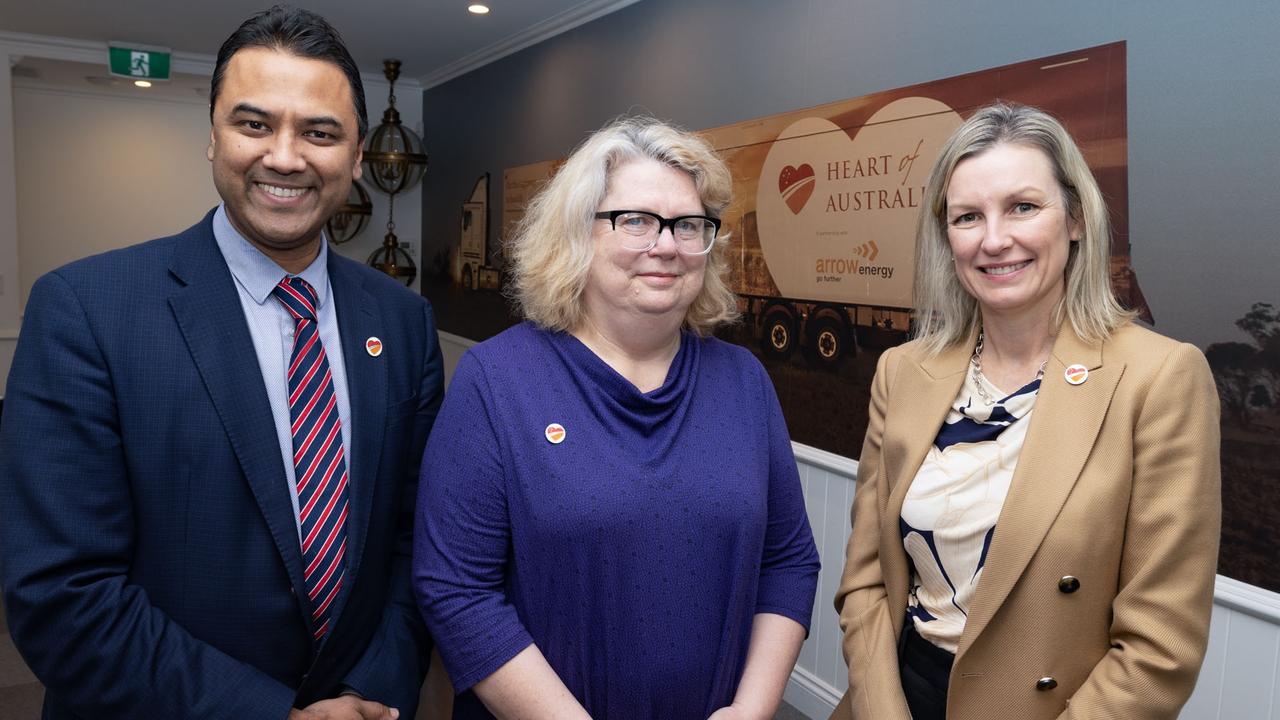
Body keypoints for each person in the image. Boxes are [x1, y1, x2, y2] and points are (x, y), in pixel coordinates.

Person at [0, 7, 442, 719]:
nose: (286, 156)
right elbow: (62, 594)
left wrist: (372, 691)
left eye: (320, 132)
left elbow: (412, 543)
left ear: (358, 157)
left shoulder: (403, 322)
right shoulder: (85, 311)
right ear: (212, 137)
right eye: (254, 123)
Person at [413, 117, 820, 719]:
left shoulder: (743, 382)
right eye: (634, 220)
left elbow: (788, 559)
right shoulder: (497, 382)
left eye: (688, 225)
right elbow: (456, 590)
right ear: (578, 235)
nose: (666, 245)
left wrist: (753, 710)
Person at [830, 103, 1221, 720]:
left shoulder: (1158, 379)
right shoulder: (902, 372)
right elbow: (866, 581)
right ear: (946, 236)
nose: (993, 239)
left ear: (1073, 218)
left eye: (1022, 206)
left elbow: (1158, 647)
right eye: (967, 216)